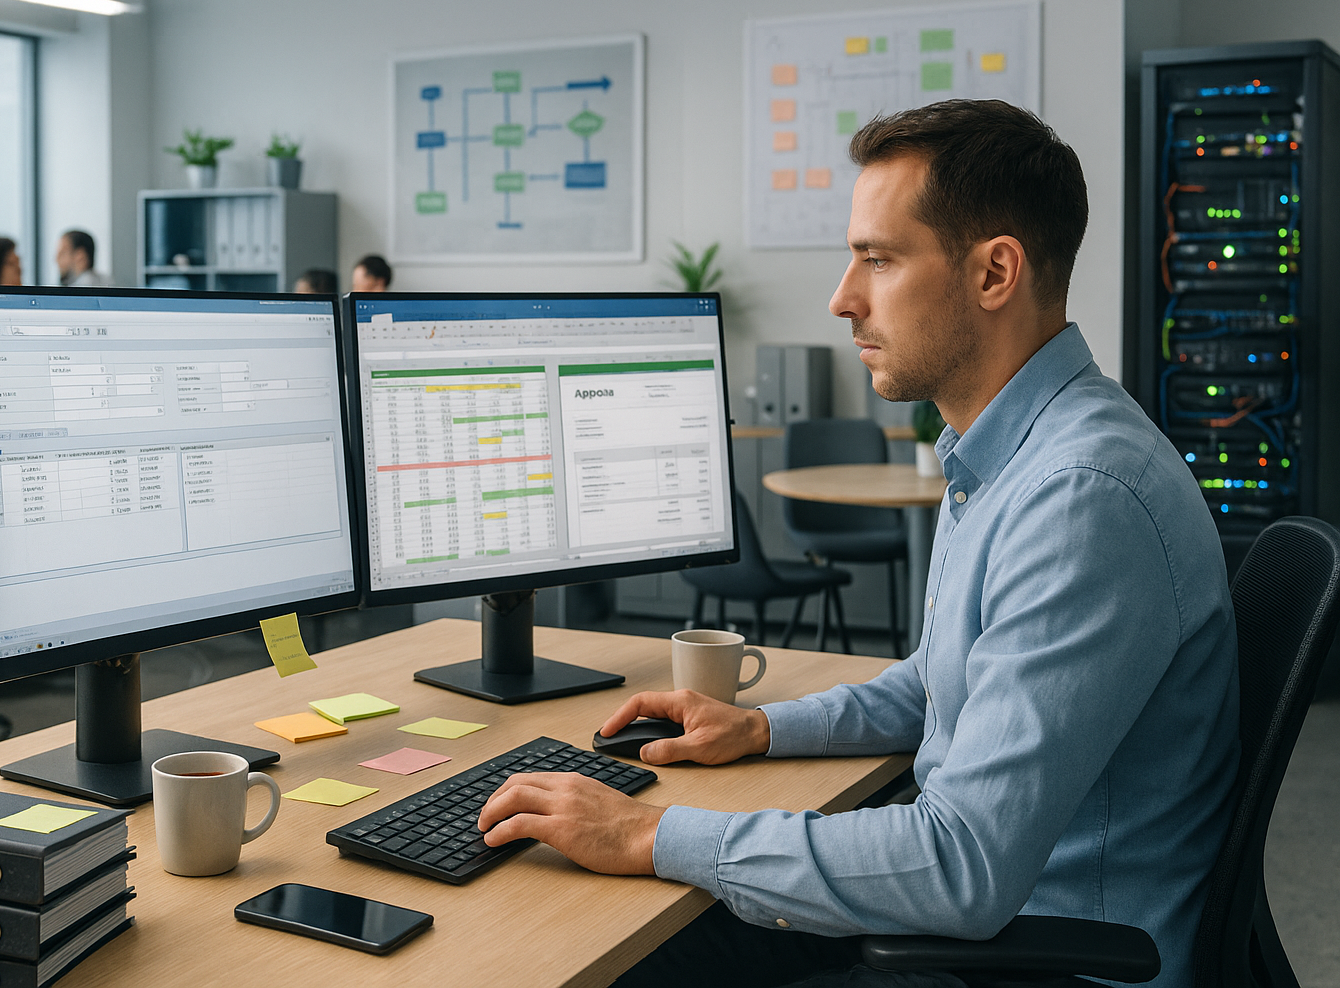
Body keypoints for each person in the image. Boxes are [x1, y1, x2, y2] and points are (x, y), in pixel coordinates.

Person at [478, 100, 1239, 988]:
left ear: (996, 272)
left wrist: (648, 832)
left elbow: (961, 867)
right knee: (621, 936)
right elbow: (941, 680)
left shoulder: (1081, 498)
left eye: (878, 259)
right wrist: (761, 727)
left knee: (616, 951)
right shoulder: (1008, 456)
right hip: (985, 928)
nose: (844, 299)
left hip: (1037, 961)